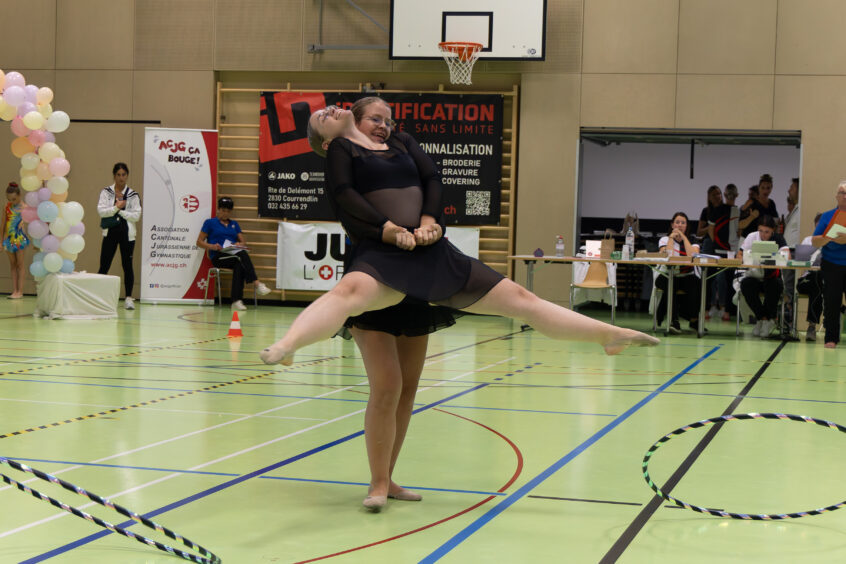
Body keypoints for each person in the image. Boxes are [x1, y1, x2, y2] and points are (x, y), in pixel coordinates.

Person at [260, 100, 658, 363]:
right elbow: (346, 197)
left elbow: (433, 179)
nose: (330, 110)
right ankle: (289, 344)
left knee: (521, 299)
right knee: (347, 294)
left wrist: (430, 222)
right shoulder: (340, 152)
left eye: (386, 119)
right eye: (322, 117)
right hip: (384, 256)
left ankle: (608, 335)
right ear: (325, 141)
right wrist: (388, 229)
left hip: (432, 252)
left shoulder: (401, 142)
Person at [196, 197, 271, 310]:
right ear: (218, 209)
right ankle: (256, 283)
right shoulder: (210, 223)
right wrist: (212, 246)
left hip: (232, 253)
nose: (225, 213)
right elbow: (199, 242)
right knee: (241, 255)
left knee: (239, 263)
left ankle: (236, 301)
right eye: (223, 210)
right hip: (218, 256)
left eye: (228, 211)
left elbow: (243, 242)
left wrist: (238, 244)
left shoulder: (234, 224)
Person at [736, 215, 789, 338]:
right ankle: (762, 318)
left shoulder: (778, 238)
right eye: (760, 231)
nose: (763, 235)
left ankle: (769, 319)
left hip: (772, 277)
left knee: (774, 285)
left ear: (772, 231)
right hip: (755, 276)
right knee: (746, 285)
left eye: (767, 232)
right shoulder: (751, 237)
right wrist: (746, 258)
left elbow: (787, 257)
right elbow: (739, 254)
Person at [97, 163, 141, 310]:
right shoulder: (106, 192)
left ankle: (128, 298)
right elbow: (101, 211)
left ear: (127, 175)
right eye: (118, 175)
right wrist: (116, 207)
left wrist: (120, 211)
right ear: (114, 176)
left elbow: (136, 216)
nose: (121, 178)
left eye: (124, 175)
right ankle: (98, 297)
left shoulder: (133, 195)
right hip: (110, 233)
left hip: (127, 235)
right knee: (104, 264)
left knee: (127, 265)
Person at [811, 181, 846, 349]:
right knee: (832, 302)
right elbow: (815, 241)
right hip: (832, 264)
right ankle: (831, 338)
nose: (845, 196)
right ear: (836, 196)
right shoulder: (827, 216)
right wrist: (830, 238)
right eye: (842, 192)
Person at [655, 212, 702, 334]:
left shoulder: (692, 239)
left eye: (683, 223)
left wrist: (684, 237)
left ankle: (694, 320)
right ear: (672, 225)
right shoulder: (665, 239)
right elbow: (667, 255)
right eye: (677, 222)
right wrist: (671, 238)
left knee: (697, 284)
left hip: (686, 275)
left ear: (687, 226)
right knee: (670, 285)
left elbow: (692, 256)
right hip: (667, 275)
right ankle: (674, 321)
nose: (680, 225)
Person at [706, 183, 740, 321]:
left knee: (730, 280)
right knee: (713, 278)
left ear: (736, 195)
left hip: (732, 251)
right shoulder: (717, 210)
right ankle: (710, 307)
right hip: (718, 250)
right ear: (725, 195)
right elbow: (711, 229)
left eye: (733, 194)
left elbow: (739, 229)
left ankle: (727, 310)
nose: (730, 196)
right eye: (728, 194)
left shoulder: (738, 211)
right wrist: (716, 243)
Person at [797, 213, 824, 342]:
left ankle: (812, 326)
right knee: (816, 282)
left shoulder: (833, 243)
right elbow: (800, 263)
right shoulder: (808, 240)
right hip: (806, 280)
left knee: (818, 286)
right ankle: (813, 326)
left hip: (825, 281)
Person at [2, 182, 29, 299]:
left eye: (14, 199)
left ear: (19, 195)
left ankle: (20, 291)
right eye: (9, 199)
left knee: (20, 264)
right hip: (9, 239)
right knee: (12, 265)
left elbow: (29, 220)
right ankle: (14, 291)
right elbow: (2, 224)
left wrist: (23, 221)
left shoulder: (25, 208)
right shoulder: (6, 207)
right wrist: (0, 241)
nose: (12, 202)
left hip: (19, 239)